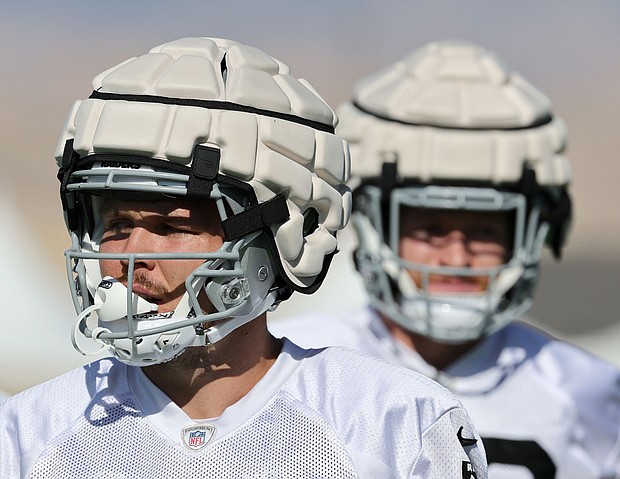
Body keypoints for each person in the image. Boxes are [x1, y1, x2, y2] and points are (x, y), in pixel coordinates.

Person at [0, 37, 487, 479]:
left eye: (172, 227)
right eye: (117, 227)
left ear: (281, 237)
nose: (131, 256)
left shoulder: (394, 423)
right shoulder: (27, 435)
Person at [270, 40, 620, 478]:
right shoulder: (287, 367)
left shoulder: (587, 390)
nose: (456, 256)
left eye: (485, 230)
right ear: (375, 226)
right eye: (430, 230)